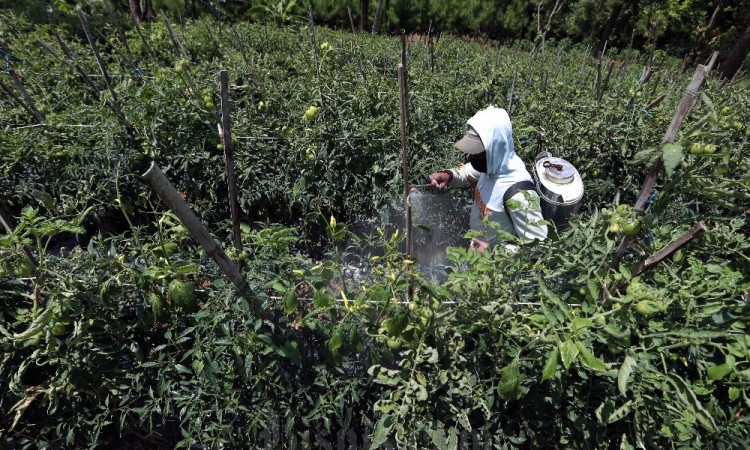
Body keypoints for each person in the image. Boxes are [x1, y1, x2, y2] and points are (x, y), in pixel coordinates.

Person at [429, 106, 547, 252]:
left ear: (495, 148)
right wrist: (449, 175)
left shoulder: (518, 194)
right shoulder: (491, 166)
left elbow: (538, 248)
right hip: (478, 258)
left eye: (477, 152)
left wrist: (493, 252)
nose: (471, 157)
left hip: (498, 269)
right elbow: (468, 173)